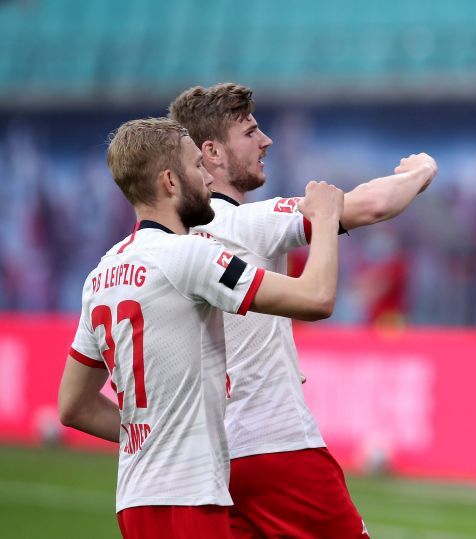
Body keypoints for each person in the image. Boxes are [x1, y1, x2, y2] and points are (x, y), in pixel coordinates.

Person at [169, 82, 436, 538]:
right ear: (211, 152)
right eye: (250, 132)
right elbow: (369, 206)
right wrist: (422, 170)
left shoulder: (177, 242)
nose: (265, 141)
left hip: (212, 459)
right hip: (277, 445)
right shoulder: (247, 222)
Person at [57, 117, 344, 539]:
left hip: (135, 500)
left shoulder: (102, 274)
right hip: (189, 501)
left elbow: (73, 406)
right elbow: (316, 298)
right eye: (197, 166)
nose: (207, 176)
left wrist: (152, 438)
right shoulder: (190, 255)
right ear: (171, 181)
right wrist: (325, 218)